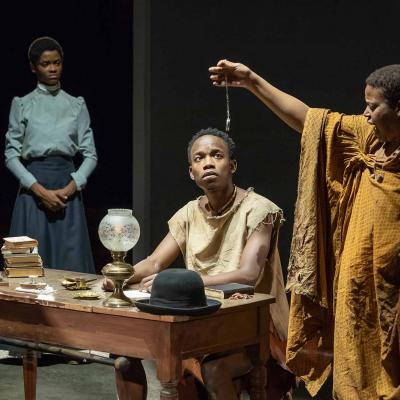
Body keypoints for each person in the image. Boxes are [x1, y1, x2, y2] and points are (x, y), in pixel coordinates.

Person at [209, 59, 400, 399]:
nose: (366, 114)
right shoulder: (368, 139)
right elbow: (311, 121)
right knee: (353, 382)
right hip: (358, 301)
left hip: (394, 299)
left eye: (373, 106)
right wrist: (252, 81)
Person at [105, 127, 292, 399]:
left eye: (217, 155)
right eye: (199, 158)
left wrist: (182, 284)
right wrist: (121, 276)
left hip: (250, 323)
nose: (208, 162)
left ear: (232, 165)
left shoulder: (260, 210)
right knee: (125, 353)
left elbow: (247, 275)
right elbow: (155, 262)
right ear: (191, 172)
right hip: (198, 318)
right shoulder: (189, 213)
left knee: (215, 370)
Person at [4, 36, 97, 273]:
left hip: (67, 191)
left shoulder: (76, 104)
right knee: (28, 266)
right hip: (33, 192)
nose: (53, 68)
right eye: (46, 64)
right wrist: (39, 190)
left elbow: (90, 155)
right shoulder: (22, 104)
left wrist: (69, 188)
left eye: (57, 62)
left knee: (72, 265)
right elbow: (11, 156)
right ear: (33, 67)